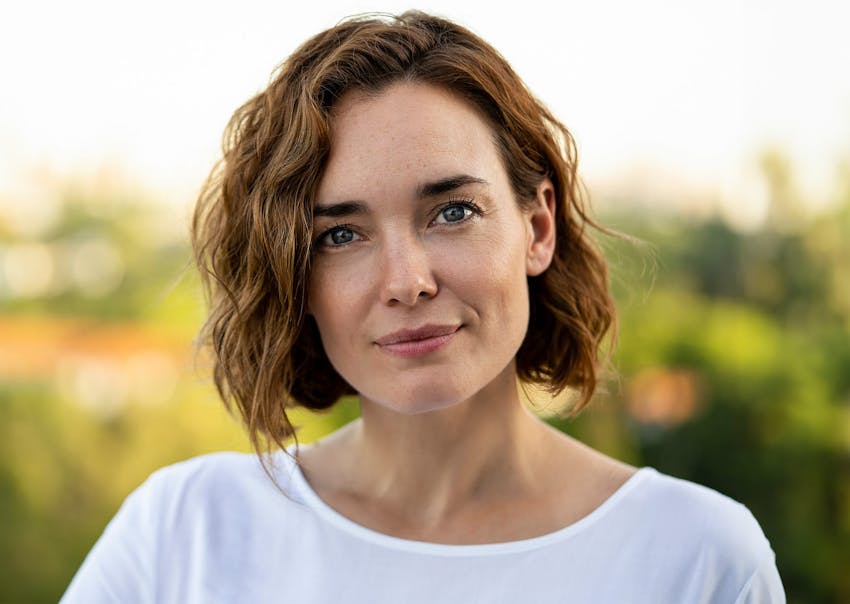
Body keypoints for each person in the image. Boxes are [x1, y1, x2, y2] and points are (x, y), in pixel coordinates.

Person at [62, 11, 784, 603]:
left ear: (537, 228)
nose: (407, 282)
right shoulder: (184, 533)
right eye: (341, 234)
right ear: (295, 277)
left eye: (453, 212)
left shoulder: (697, 558)